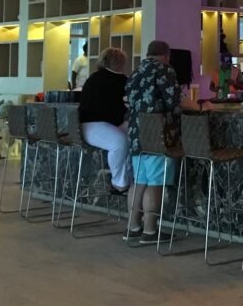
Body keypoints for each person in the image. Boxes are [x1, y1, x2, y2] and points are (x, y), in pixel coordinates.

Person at [124, 40, 198, 244]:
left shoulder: (137, 71)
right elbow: (176, 100)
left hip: (136, 132)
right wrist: (199, 107)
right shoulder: (165, 70)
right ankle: (150, 231)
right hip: (158, 133)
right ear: (166, 54)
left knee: (139, 181)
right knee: (155, 183)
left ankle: (132, 227)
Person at [79, 47, 131, 194]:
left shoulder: (94, 78)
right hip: (94, 124)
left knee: (128, 138)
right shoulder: (121, 81)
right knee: (120, 142)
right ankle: (119, 183)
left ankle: (125, 180)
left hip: (87, 125)